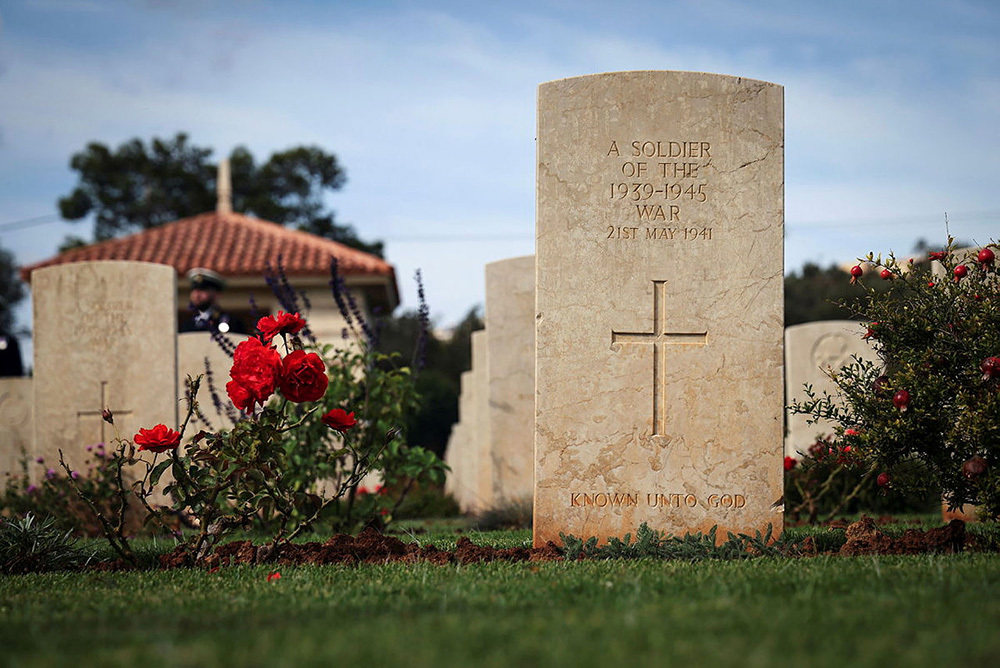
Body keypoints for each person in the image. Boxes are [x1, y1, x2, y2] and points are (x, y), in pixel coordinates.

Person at [179, 268, 247, 334]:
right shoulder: (187, 325)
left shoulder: (231, 322)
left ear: (216, 294)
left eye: (202, 290)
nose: (197, 295)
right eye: (194, 290)